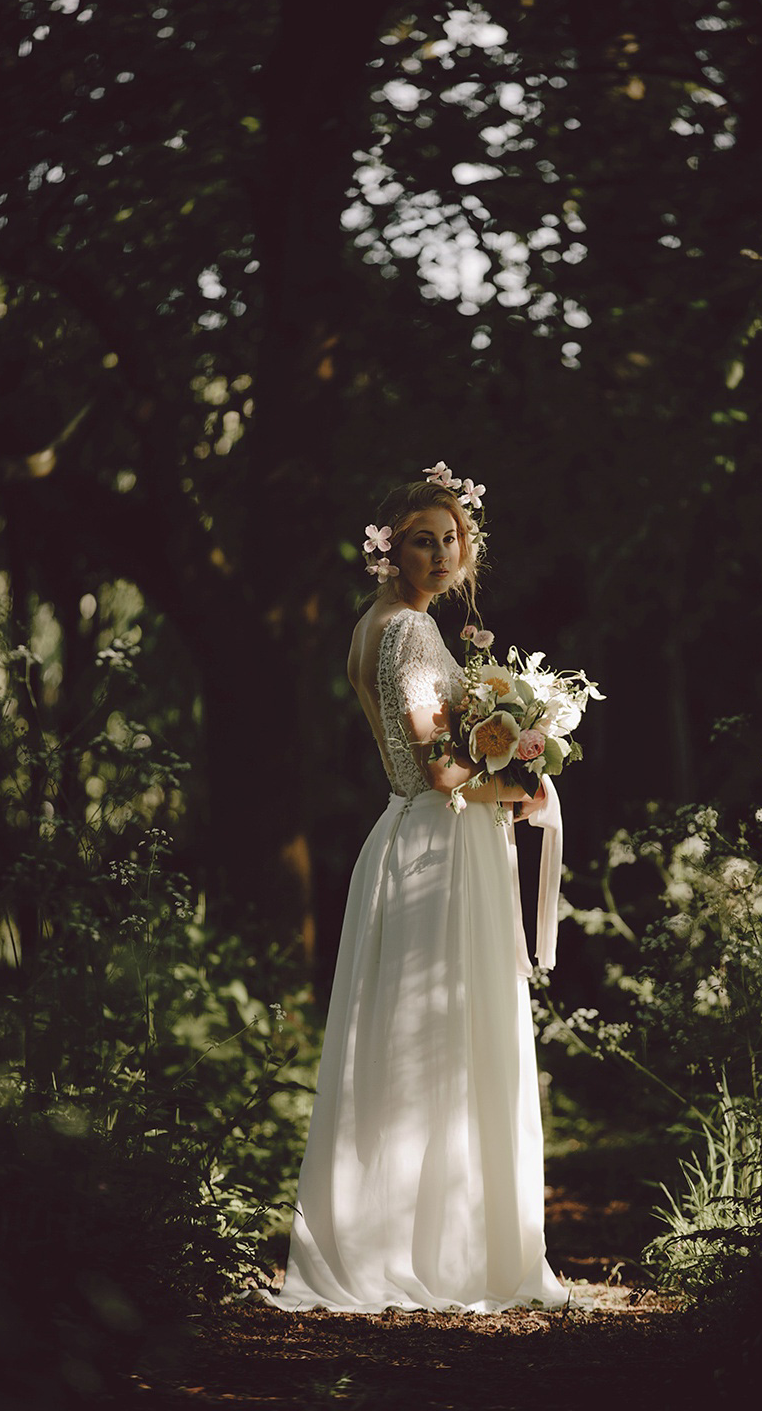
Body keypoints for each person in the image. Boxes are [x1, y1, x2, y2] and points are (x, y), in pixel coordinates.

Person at [257, 469, 566, 1313]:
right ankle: (437, 1254)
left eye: (450, 539)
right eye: (422, 538)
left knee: (418, 1041)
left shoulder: (382, 625)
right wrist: (522, 785)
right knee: (436, 1042)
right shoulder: (407, 635)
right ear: (389, 546)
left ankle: (426, 1237)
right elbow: (441, 769)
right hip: (438, 843)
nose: (439, 552)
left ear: (468, 552)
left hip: (414, 839)